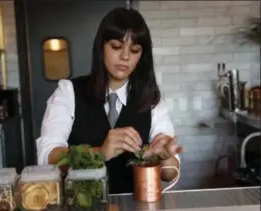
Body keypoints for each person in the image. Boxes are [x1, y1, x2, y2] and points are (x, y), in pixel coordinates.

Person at [36, 7, 184, 194]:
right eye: (116, 46)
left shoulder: (151, 99)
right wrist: (99, 153)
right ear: (101, 47)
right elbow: (47, 156)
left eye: (135, 50)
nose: (125, 56)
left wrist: (165, 156)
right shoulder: (68, 92)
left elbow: (171, 173)